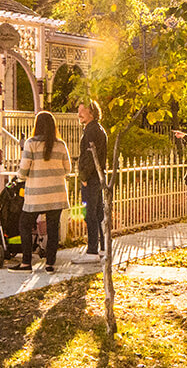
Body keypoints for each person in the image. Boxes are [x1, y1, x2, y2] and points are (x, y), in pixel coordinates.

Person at [14, 110, 72, 272]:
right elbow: (68, 169)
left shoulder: (31, 143)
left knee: (24, 224)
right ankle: (50, 264)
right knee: (53, 228)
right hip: (57, 194)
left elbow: (24, 170)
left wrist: (19, 177)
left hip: (36, 195)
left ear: (36, 126)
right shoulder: (61, 145)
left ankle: (26, 262)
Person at [77, 100, 108, 260]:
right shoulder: (97, 129)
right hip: (98, 176)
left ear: (92, 112)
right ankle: (102, 247)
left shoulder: (91, 131)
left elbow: (90, 156)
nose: (79, 114)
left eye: (82, 111)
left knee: (89, 214)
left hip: (91, 178)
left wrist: (83, 177)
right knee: (97, 213)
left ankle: (92, 250)